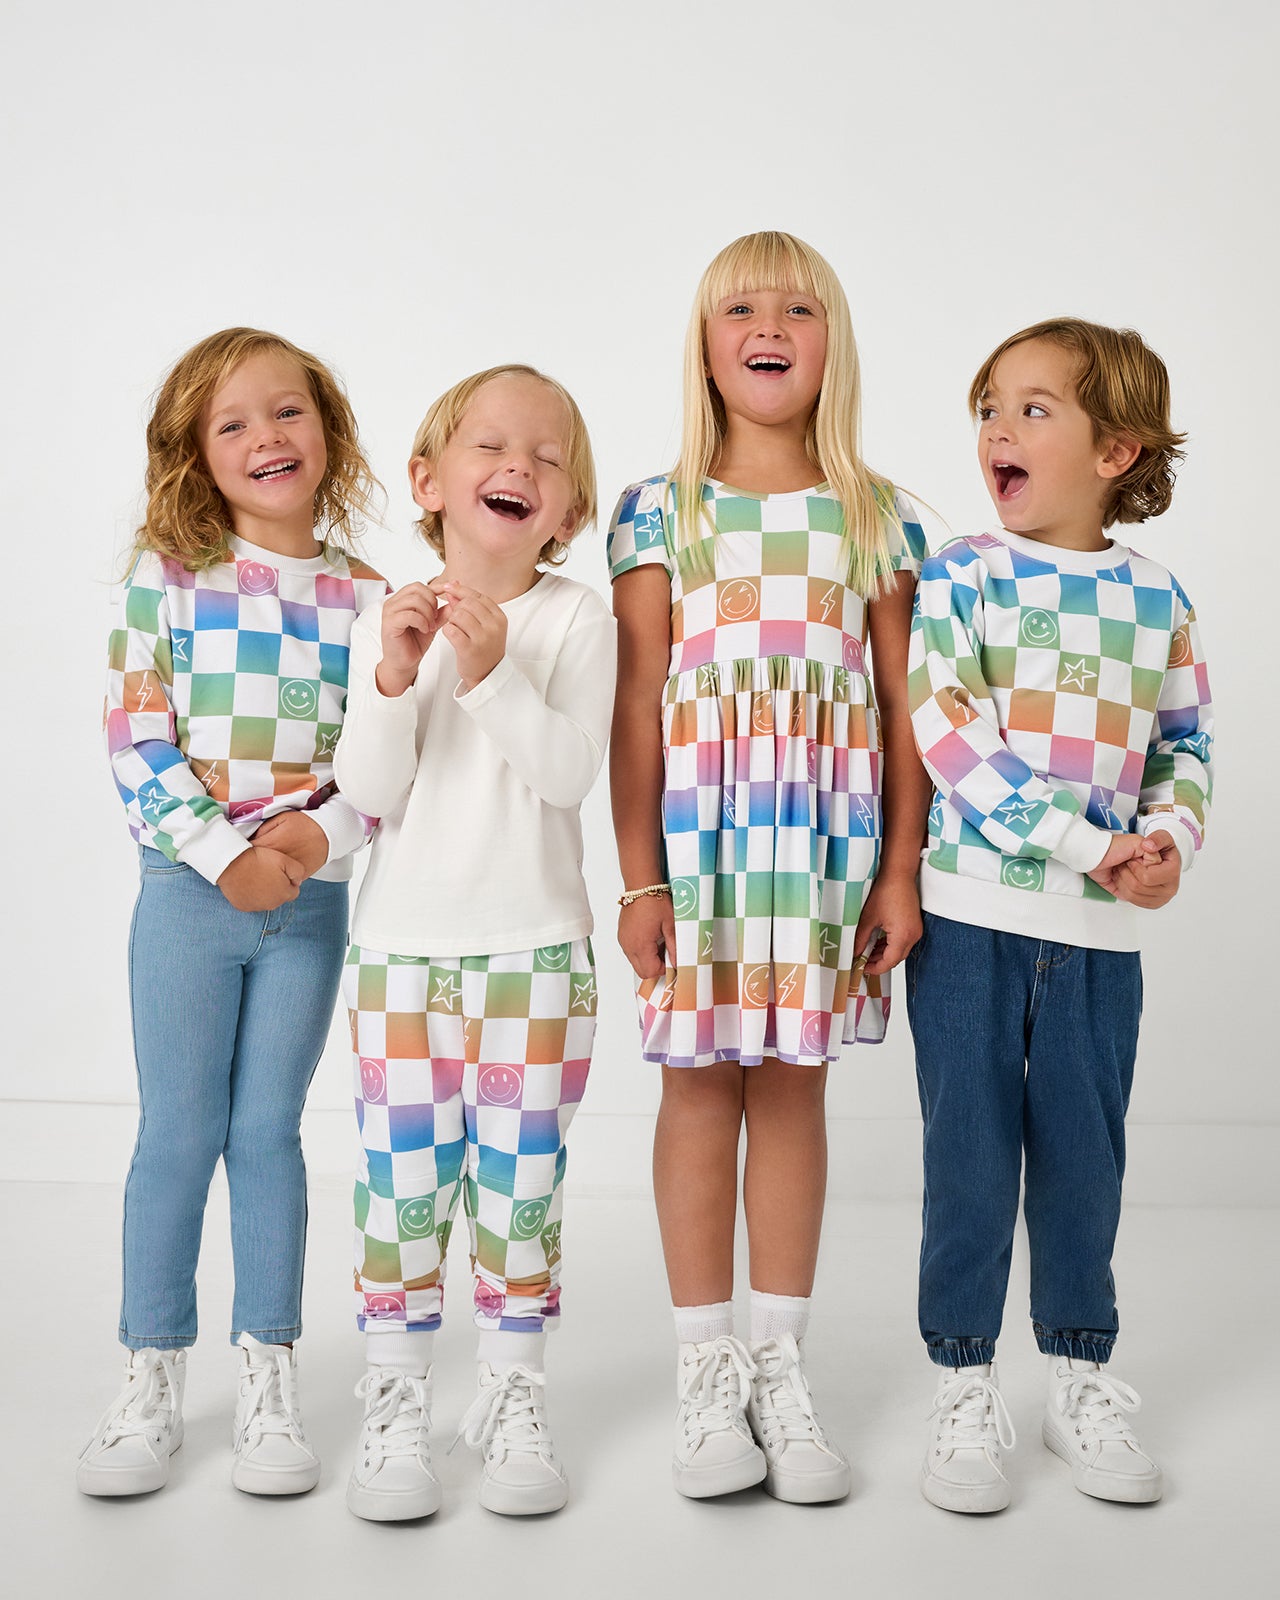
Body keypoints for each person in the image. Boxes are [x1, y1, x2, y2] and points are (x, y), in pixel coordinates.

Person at [608, 231, 931, 1503]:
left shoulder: (876, 512)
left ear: (829, 343)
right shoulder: (657, 508)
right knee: (698, 1090)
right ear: (704, 342)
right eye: (741, 306)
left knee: (792, 1085)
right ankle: (704, 1372)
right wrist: (640, 882)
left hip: (827, 847)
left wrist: (897, 870)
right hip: (699, 849)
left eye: (799, 308)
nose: (770, 325)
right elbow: (639, 702)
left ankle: (778, 1365)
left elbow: (906, 707)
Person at [906, 317, 1212, 1513]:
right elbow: (948, 738)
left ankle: (1077, 1374)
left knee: (1083, 1162)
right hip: (970, 924)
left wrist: (1164, 849)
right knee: (969, 1158)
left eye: (1033, 408)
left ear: (1115, 449)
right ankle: (963, 1380)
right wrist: (1091, 844)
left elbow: (1182, 749)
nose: (997, 427)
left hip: (1097, 946)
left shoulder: (1157, 599)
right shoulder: (963, 574)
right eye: (988, 405)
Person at [81, 327, 387, 1498]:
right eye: (233, 423)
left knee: (267, 1136)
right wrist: (218, 854)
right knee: (176, 1135)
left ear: (328, 433)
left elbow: (377, 760)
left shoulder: (367, 595)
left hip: (306, 905)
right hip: (186, 900)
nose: (267, 437)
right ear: (195, 456)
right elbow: (135, 738)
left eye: (288, 412)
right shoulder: (164, 581)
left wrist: (312, 844)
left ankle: (269, 1368)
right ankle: (151, 1368)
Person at [333, 365, 615, 1520]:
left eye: (547, 461)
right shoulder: (379, 620)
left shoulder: (574, 617)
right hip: (400, 958)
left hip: (535, 957)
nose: (519, 468)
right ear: (428, 480)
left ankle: (510, 1392)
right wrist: (397, 677)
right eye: (492, 448)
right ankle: (396, 1398)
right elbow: (366, 792)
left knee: (517, 1188)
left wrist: (492, 675)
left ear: (568, 513)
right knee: (400, 1191)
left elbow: (565, 775)